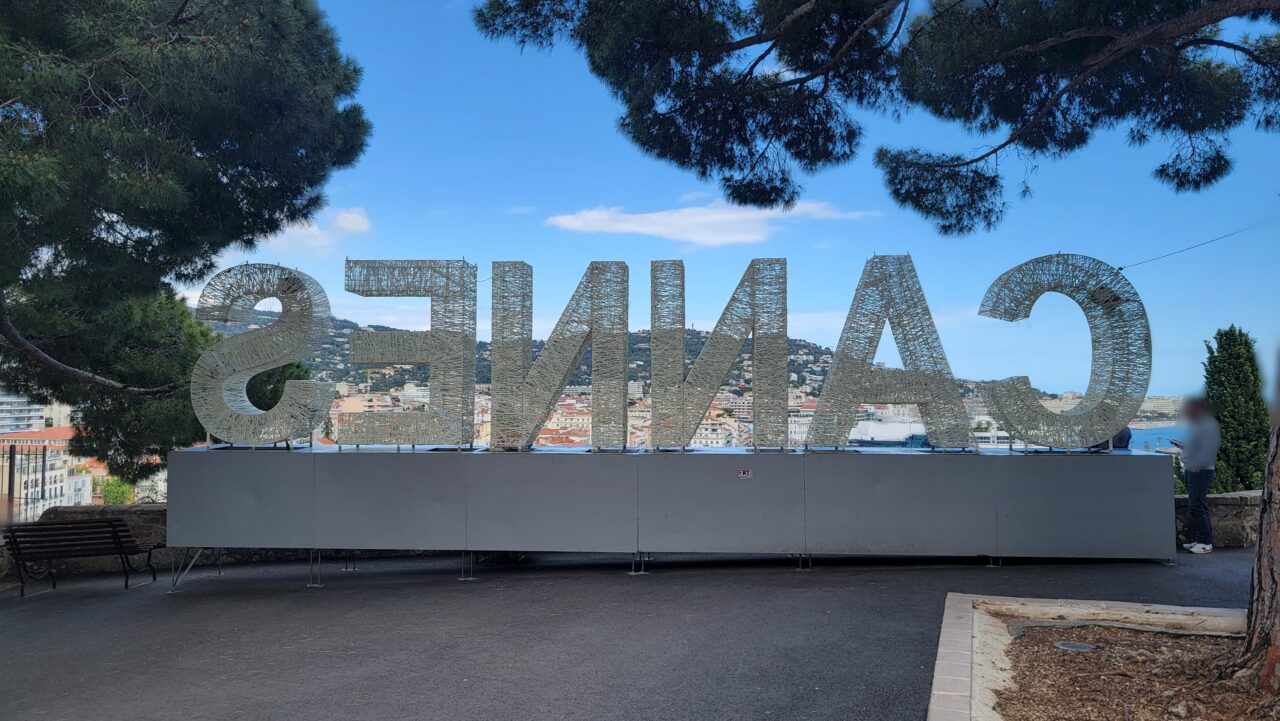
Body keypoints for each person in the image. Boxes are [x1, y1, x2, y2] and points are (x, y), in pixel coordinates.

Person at [1172, 398, 1220, 554]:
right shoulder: (1198, 424)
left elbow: (1209, 449)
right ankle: (1198, 540)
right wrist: (1182, 446)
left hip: (1200, 470)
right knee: (1195, 506)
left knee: (1197, 505)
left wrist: (1197, 465)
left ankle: (1205, 543)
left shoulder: (1209, 425)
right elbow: (1196, 447)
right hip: (1192, 469)